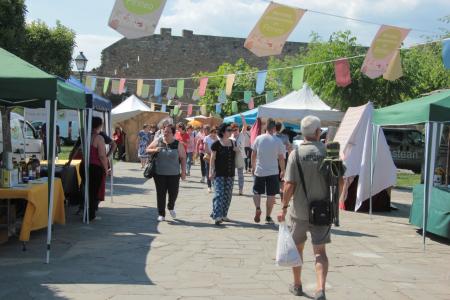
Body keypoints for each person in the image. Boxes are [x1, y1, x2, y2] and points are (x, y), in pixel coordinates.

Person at [278, 116, 330, 300]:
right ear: (318, 132)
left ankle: (297, 285)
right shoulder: (329, 153)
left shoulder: (296, 154)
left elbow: (289, 185)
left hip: (299, 211)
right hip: (322, 212)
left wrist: (283, 206)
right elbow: (339, 180)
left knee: (297, 249)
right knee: (320, 252)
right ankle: (320, 289)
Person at [147, 124, 186, 221]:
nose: (165, 133)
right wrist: (155, 149)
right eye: (164, 131)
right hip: (159, 173)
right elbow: (147, 150)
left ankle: (170, 206)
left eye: (168, 132)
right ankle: (161, 214)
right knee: (161, 194)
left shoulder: (178, 144)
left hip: (174, 174)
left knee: (173, 193)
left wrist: (183, 172)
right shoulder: (159, 141)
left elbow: (183, 158)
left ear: (173, 133)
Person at [251, 119, 285, 224]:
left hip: (260, 170)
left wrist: (253, 166)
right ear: (274, 129)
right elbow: (281, 158)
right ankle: (268, 217)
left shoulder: (258, 138)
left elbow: (253, 154)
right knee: (271, 195)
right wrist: (283, 170)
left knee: (257, 191)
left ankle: (257, 208)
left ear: (266, 128)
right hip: (273, 171)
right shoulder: (278, 141)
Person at [79, 117, 109, 221]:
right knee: (93, 192)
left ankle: (86, 213)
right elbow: (102, 156)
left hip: (83, 166)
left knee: (87, 190)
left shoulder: (85, 136)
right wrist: (106, 169)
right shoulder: (98, 138)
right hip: (94, 168)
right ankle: (90, 215)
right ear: (99, 125)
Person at [209, 123, 236, 225]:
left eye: (231, 130)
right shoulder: (216, 144)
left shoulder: (233, 143)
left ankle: (223, 214)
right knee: (219, 194)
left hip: (230, 172)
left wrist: (238, 151)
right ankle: (217, 216)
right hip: (219, 173)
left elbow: (240, 155)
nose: (230, 132)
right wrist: (211, 171)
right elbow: (212, 159)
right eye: (228, 130)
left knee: (228, 195)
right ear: (223, 132)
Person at [231, 116, 248, 195]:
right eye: (233, 130)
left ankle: (240, 189)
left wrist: (243, 119)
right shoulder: (230, 137)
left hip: (240, 155)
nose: (235, 131)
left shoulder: (242, 134)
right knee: (231, 174)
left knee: (240, 174)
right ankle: (230, 188)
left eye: (236, 129)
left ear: (238, 129)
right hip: (232, 156)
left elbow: (245, 126)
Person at [275, 122, 292, 200]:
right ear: (281, 128)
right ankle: (282, 198)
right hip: (283, 159)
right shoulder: (285, 137)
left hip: (273, 159)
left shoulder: (271, 136)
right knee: (282, 179)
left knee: (274, 177)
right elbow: (289, 147)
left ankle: (273, 197)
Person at [203, 127, 218, 193]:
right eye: (213, 132)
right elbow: (205, 148)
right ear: (211, 132)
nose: (214, 134)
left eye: (215, 132)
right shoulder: (207, 138)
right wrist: (211, 153)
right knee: (208, 170)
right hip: (208, 156)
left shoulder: (217, 138)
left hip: (216, 157)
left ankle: (214, 184)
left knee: (215, 170)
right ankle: (209, 186)